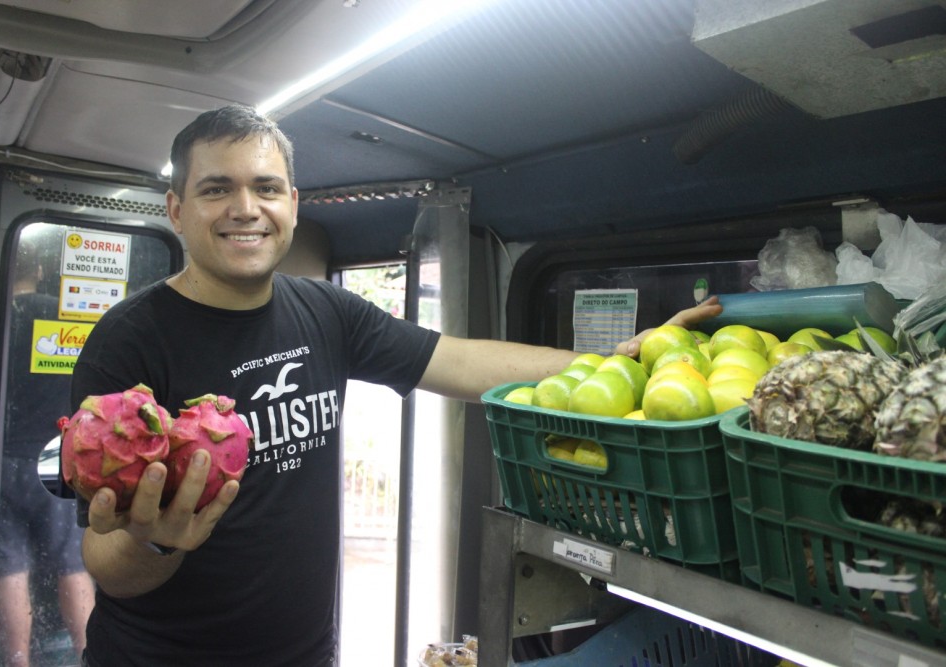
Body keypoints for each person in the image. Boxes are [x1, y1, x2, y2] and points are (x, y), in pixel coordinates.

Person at [69, 104, 721, 666]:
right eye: (217, 189)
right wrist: (157, 538)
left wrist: (621, 360)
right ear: (177, 210)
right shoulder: (130, 342)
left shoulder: (324, 311)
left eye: (266, 187)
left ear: (292, 204)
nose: (247, 208)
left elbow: (463, 362)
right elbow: (105, 557)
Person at [0, 240, 94, 666]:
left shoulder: (0, 317)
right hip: (56, 460)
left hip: (4, 459)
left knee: (9, 568)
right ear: (39, 271)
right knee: (73, 563)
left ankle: (18, 661)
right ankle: (86, 653)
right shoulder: (64, 315)